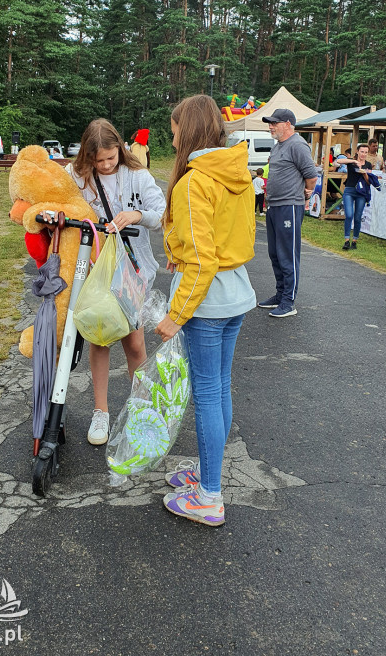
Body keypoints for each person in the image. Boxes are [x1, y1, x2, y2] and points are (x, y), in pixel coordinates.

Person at [154, 94, 256, 527]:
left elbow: (203, 259)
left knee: (208, 393)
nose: (171, 134)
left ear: (188, 128)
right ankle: (207, 473)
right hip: (234, 292)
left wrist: (174, 315)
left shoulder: (195, 180)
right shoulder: (235, 170)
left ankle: (209, 496)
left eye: (174, 127)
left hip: (206, 301)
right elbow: (226, 237)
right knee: (219, 387)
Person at [66, 118, 166, 445]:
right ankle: (101, 411)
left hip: (131, 273)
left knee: (134, 342)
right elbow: (58, 199)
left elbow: (161, 213)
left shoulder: (136, 175)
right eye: (100, 160)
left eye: (113, 157)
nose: (108, 165)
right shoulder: (78, 177)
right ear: (88, 157)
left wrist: (135, 215)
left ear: (121, 149)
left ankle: (141, 409)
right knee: (100, 337)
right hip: (96, 269)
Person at [257, 108, 318, 318]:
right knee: (274, 253)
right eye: (270, 123)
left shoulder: (298, 145)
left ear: (289, 124)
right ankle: (280, 294)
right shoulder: (278, 146)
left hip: (290, 206)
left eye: (275, 123)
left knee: (288, 254)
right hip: (274, 206)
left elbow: (311, 176)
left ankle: (289, 302)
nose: (271, 126)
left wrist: (306, 194)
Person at [336, 144, 372, 250]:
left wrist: (365, 173)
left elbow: (369, 182)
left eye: (366, 152)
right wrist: (353, 161)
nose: (363, 154)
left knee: (358, 217)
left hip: (361, 192)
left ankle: (355, 240)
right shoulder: (351, 162)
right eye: (362, 152)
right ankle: (346, 240)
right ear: (357, 151)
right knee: (349, 214)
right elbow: (339, 161)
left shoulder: (368, 164)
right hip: (349, 190)